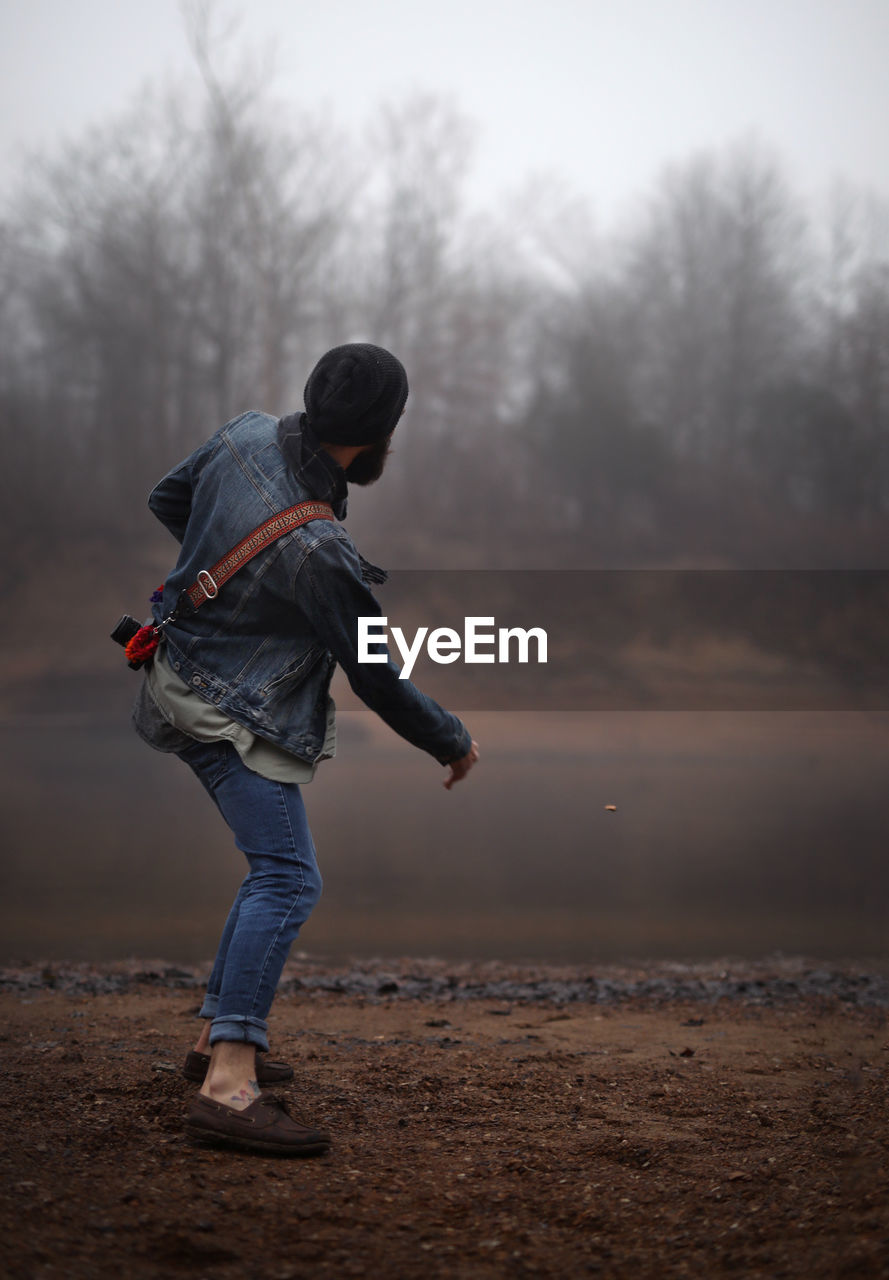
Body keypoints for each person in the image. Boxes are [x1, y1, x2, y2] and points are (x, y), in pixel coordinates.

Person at [132, 343, 479, 1156]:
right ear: (382, 434)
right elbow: (377, 676)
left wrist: (229, 579)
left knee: (269, 868)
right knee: (287, 877)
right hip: (226, 713)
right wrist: (450, 741)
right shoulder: (320, 551)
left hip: (174, 667)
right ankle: (228, 1082)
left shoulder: (244, 434)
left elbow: (166, 498)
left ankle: (212, 1037)